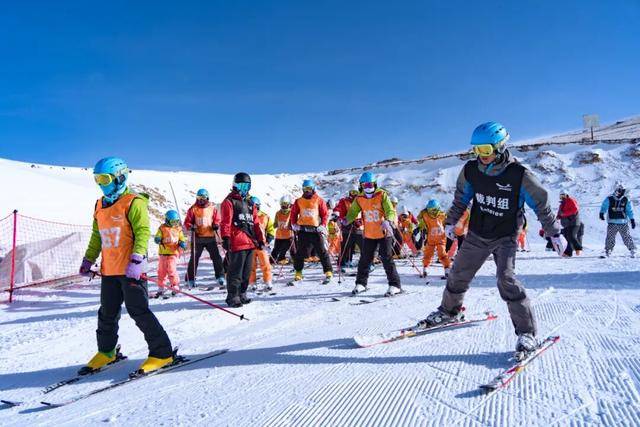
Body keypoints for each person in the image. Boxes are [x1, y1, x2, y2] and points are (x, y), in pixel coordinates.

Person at [419, 122, 562, 354]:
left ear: (500, 146)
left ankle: (526, 333)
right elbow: (461, 199)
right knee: (458, 273)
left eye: (485, 150)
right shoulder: (471, 170)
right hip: (478, 233)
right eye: (476, 150)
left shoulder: (519, 176)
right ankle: (449, 311)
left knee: (506, 280)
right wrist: (451, 221)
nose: (481, 155)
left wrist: (553, 232)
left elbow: (541, 204)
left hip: (506, 236)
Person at [78, 157, 173, 375]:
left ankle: (162, 353)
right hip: (109, 270)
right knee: (107, 313)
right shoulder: (99, 205)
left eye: (104, 179)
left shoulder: (134, 202)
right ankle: (106, 351)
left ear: (120, 177)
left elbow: (142, 232)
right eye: (97, 179)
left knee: (138, 311)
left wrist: (137, 259)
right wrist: (88, 259)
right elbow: (97, 236)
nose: (101, 184)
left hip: (131, 270)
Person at [345, 172, 401, 296]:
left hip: (384, 232)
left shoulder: (382, 195)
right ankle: (361, 283)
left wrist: (388, 220)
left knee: (386, 258)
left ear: (375, 184)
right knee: (365, 259)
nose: (368, 187)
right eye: (365, 185)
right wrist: (346, 220)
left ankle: (395, 285)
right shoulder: (359, 198)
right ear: (361, 186)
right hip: (369, 233)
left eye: (370, 185)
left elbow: (390, 210)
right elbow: (352, 212)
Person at [220, 173, 265, 307]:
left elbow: (256, 223)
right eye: (241, 186)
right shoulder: (229, 202)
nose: (244, 189)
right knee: (236, 272)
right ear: (235, 185)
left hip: (250, 242)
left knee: (247, 272)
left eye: (247, 186)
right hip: (237, 242)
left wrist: (260, 239)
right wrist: (226, 237)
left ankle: (242, 293)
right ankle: (232, 296)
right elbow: (225, 222)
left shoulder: (251, 204)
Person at [290, 179, 334, 284]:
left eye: (309, 189)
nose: (307, 191)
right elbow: (293, 213)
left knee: (322, 251)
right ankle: (298, 272)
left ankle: (328, 271)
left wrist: (323, 225)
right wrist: (294, 224)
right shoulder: (299, 201)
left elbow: (324, 214)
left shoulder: (319, 200)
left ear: (313, 189)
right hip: (303, 230)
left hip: (315, 230)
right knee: (300, 252)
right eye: (305, 189)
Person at [184, 189, 225, 289]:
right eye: (199, 198)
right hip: (197, 238)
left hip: (210, 237)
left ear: (207, 198)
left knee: (216, 257)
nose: (201, 200)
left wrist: (216, 224)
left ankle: (220, 276)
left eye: (203, 198)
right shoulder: (193, 209)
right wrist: (190, 226)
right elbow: (187, 221)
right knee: (194, 259)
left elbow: (217, 219)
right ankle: (190, 279)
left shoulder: (212, 208)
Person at [153, 210, 187, 298]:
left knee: (171, 269)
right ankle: (161, 287)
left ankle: (175, 285)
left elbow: (182, 238)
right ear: (167, 220)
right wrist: (157, 238)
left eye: (176, 222)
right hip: (163, 254)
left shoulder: (178, 229)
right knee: (161, 271)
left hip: (173, 253)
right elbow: (158, 236)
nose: (174, 224)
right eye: (173, 222)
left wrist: (182, 243)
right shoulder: (162, 228)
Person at [416, 199, 451, 278]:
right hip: (431, 239)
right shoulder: (426, 216)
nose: (432, 212)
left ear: (437, 209)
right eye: (430, 210)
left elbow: (448, 223)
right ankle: (425, 268)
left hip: (441, 239)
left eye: (433, 210)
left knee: (442, 254)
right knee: (428, 254)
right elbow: (419, 219)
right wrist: (422, 215)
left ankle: (447, 269)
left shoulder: (442, 215)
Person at [600, 182, 636, 258]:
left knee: (626, 236)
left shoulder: (625, 199)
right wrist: (602, 213)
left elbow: (629, 210)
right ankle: (608, 250)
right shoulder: (610, 198)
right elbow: (604, 206)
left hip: (623, 222)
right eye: (621, 190)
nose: (622, 192)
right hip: (612, 222)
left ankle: (632, 249)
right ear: (617, 190)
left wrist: (632, 219)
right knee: (610, 237)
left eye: (623, 191)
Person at [248, 196, 275, 291]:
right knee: (251, 265)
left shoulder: (265, 216)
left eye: (256, 206)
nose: (254, 208)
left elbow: (271, 229)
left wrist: (268, 239)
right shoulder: (247, 217)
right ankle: (252, 282)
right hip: (250, 245)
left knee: (266, 264)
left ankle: (268, 281)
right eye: (252, 206)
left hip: (262, 245)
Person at [334, 187, 364, 270]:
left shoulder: (361, 201)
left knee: (364, 246)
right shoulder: (344, 201)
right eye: (352, 192)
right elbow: (338, 209)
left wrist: (362, 222)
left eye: (355, 192)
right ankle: (342, 263)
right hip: (347, 227)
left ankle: (367, 263)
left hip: (358, 228)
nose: (354, 194)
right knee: (346, 246)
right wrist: (337, 214)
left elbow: (364, 213)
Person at [557, 192, 583, 257]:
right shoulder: (561, 204)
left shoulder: (570, 200)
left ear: (566, 195)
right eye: (561, 196)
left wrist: (564, 214)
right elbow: (560, 213)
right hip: (566, 223)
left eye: (563, 195)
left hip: (574, 222)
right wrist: (558, 216)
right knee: (567, 238)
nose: (562, 197)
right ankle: (568, 253)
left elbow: (575, 209)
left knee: (571, 236)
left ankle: (578, 248)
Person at [271, 195, 295, 264]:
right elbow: (275, 223)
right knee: (276, 249)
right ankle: (272, 260)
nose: (284, 206)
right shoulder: (278, 213)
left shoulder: (291, 213)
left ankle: (295, 260)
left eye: (285, 204)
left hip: (288, 236)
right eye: (282, 205)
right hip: (279, 236)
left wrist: (292, 226)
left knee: (291, 249)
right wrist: (274, 225)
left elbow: (295, 222)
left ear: (289, 205)